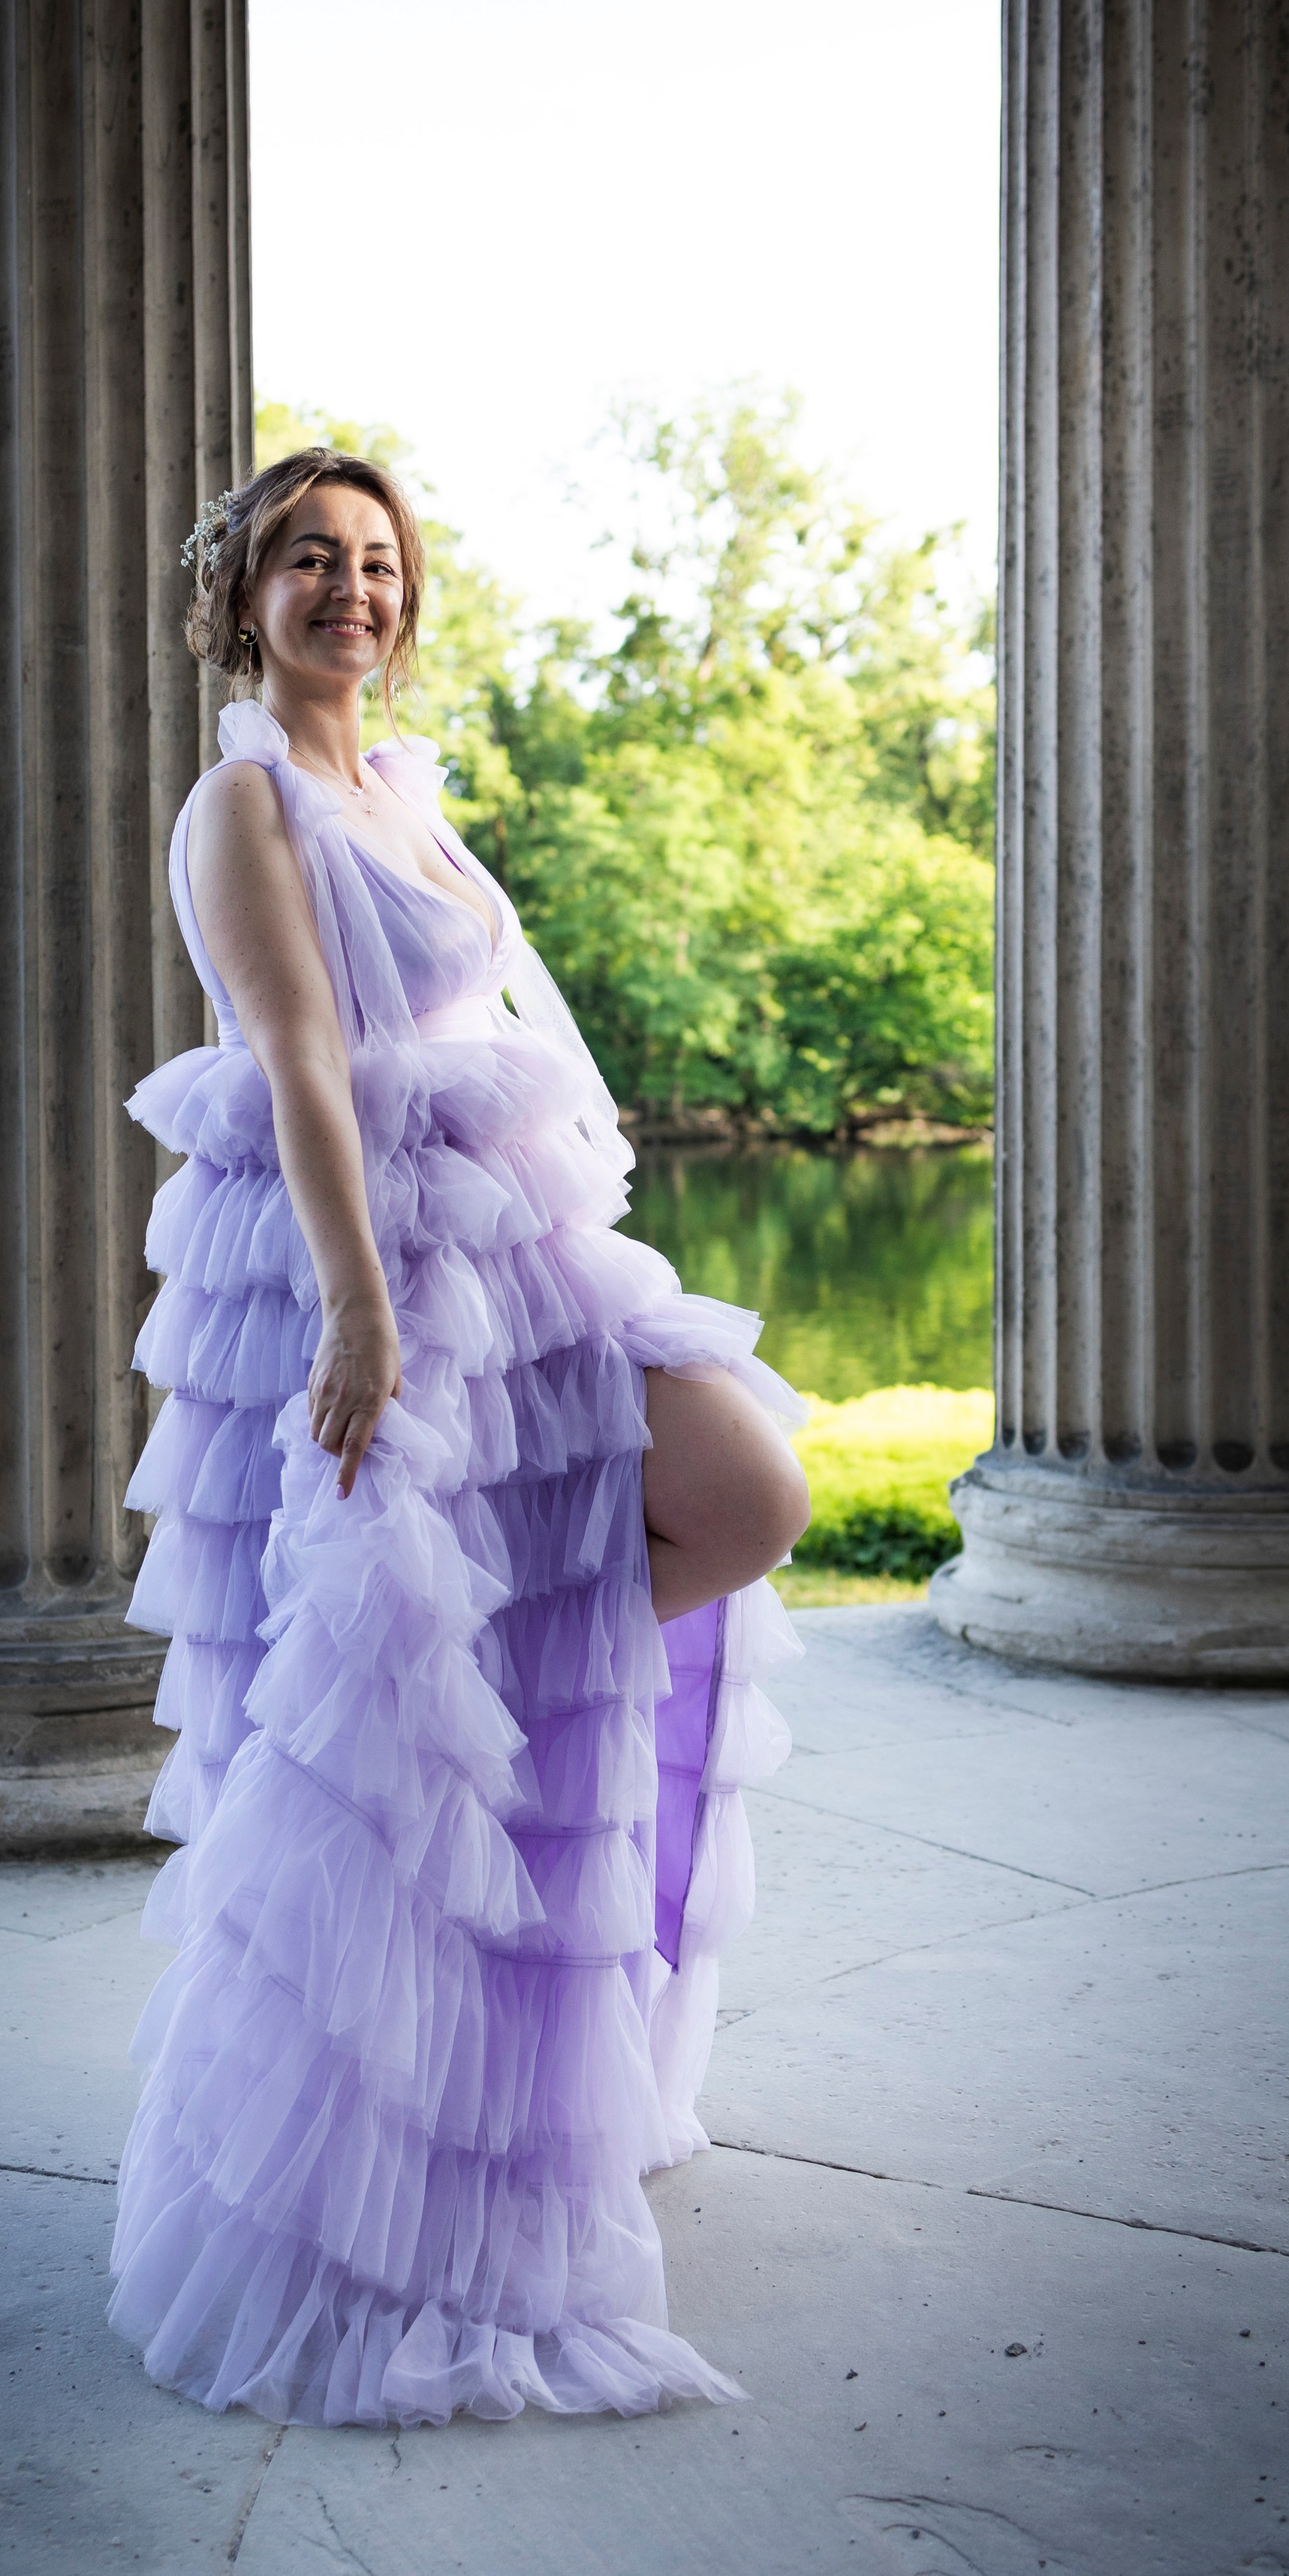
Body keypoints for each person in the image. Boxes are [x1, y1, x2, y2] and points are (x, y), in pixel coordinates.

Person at [107, 447, 810, 2427]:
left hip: (506, 1245)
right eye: (311, 561)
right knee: (372, 1703)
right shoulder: (240, 803)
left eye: (378, 562)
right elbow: (304, 1056)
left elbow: (492, 1018)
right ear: (243, 594)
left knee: (743, 1488)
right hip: (368, 1264)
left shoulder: (401, 789)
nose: (352, 590)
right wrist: (361, 1310)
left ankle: (512, 1756)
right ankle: (368, 2189)